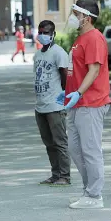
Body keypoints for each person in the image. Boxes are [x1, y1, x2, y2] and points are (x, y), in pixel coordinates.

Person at [57, 0, 111, 209]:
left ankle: (95, 195)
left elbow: (94, 70)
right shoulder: (81, 38)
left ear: (86, 18)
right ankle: (88, 190)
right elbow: (76, 71)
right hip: (76, 103)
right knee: (75, 149)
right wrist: (67, 93)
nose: (72, 17)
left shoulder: (94, 38)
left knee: (90, 149)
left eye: (75, 13)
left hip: (91, 103)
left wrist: (78, 93)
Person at [34, 20, 70, 186]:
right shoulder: (38, 54)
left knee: (60, 142)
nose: (43, 35)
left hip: (55, 106)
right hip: (40, 105)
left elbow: (65, 77)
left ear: (53, 34)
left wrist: (62, 97)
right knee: (49, 143)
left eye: (46, 32)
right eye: (41, 32)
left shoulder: (59, 53)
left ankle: (65, 175)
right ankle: (55, 174)